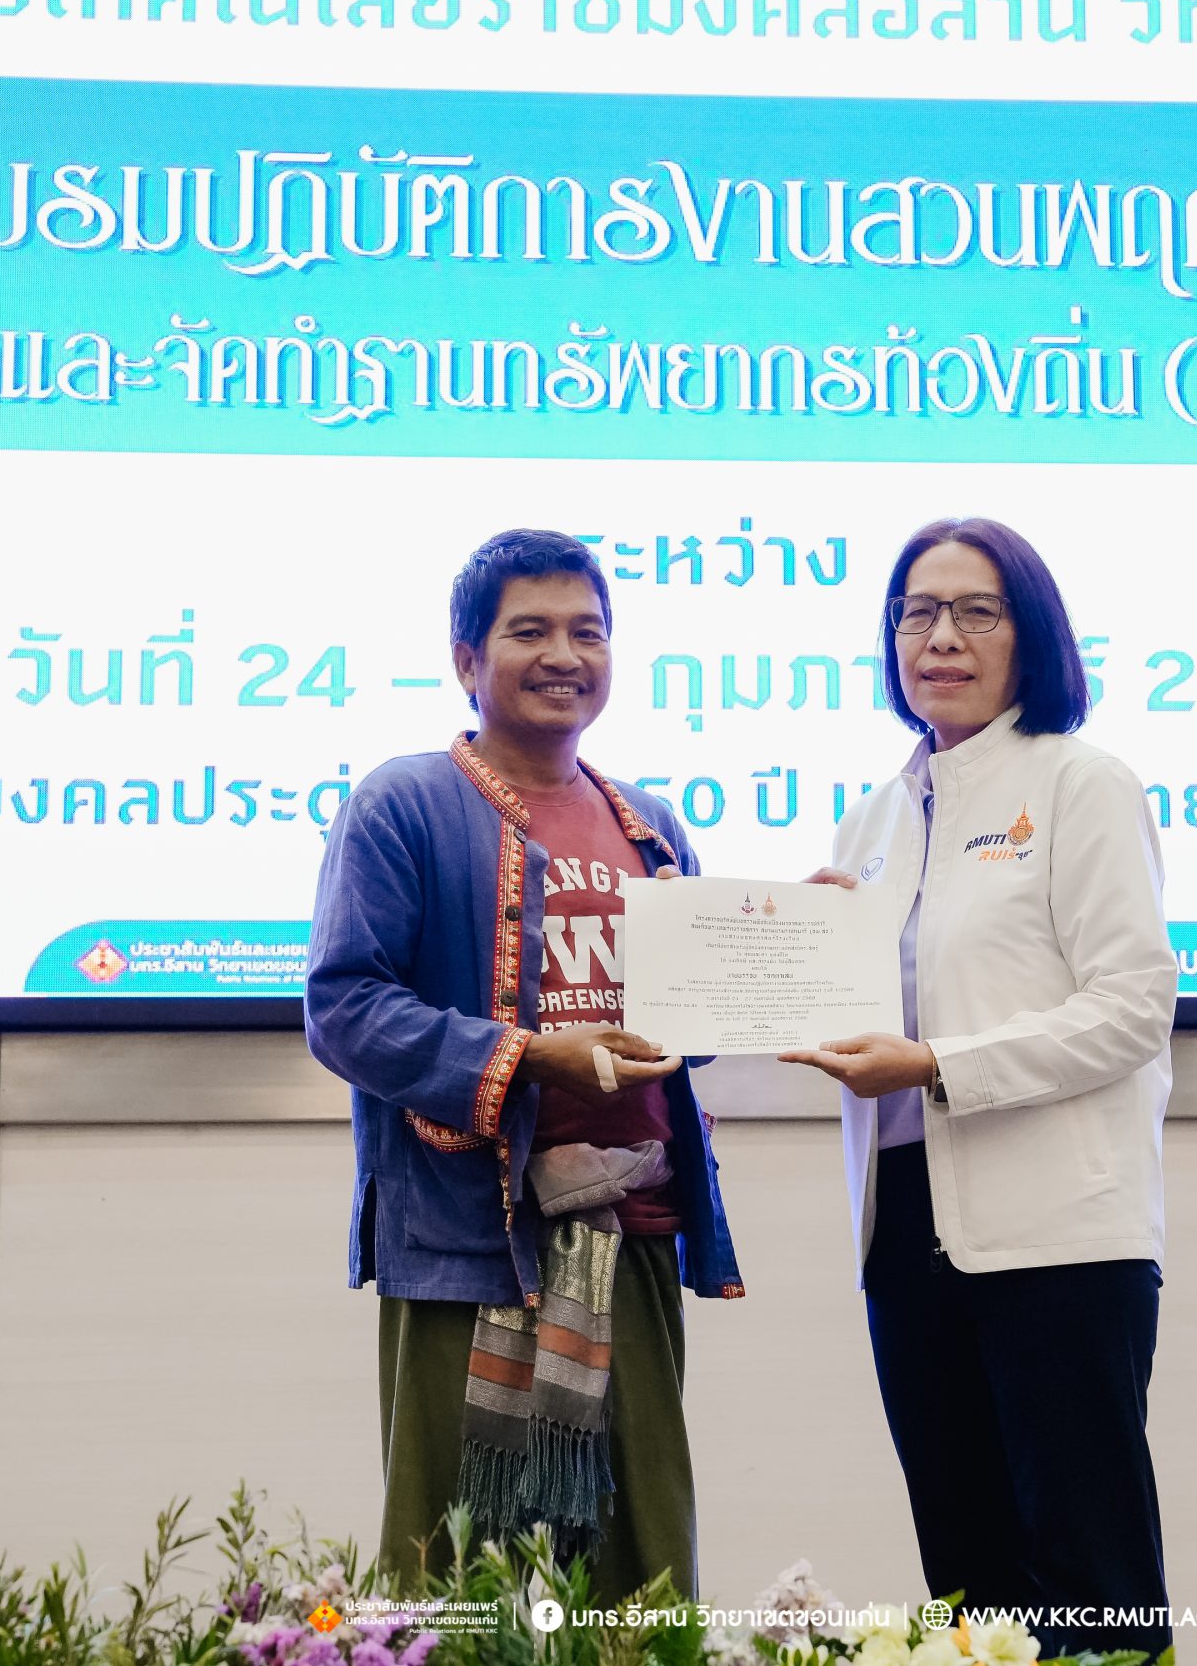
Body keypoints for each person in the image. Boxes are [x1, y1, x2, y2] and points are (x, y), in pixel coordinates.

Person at [304, 528, 745, 1603]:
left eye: (588, 632)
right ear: (467, 659)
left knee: (643, 1572)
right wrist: (535, 1059)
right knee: (459, 1570)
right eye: (529, 631)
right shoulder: (402, 804)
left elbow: (692, 1031)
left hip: (634, 1237)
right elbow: (344, 1008)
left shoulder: (653, 825)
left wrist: (784, 940)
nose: (564, 655)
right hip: (473, 1239)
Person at [779, 517, 1178, 1660]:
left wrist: (940, 1066)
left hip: (1058, 1236)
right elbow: (867, 1014)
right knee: (968, 1587)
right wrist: (805, 954)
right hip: (904, 1233)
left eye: (974, 612)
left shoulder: (1079, 783)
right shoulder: (872, 821)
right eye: (916, 613)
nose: (940, 637)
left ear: (1029, 634)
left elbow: (1131, 1009)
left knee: (1091, 1586)